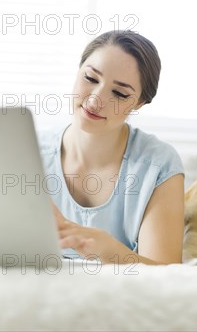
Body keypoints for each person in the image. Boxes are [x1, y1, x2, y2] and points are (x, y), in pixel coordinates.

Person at [39, 30, 184, 265]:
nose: (95, 100)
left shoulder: (159, 164)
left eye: (119, 93)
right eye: (90, 78)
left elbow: (166, 274)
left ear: (139, 103)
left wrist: (108, 249)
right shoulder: (29, 151)